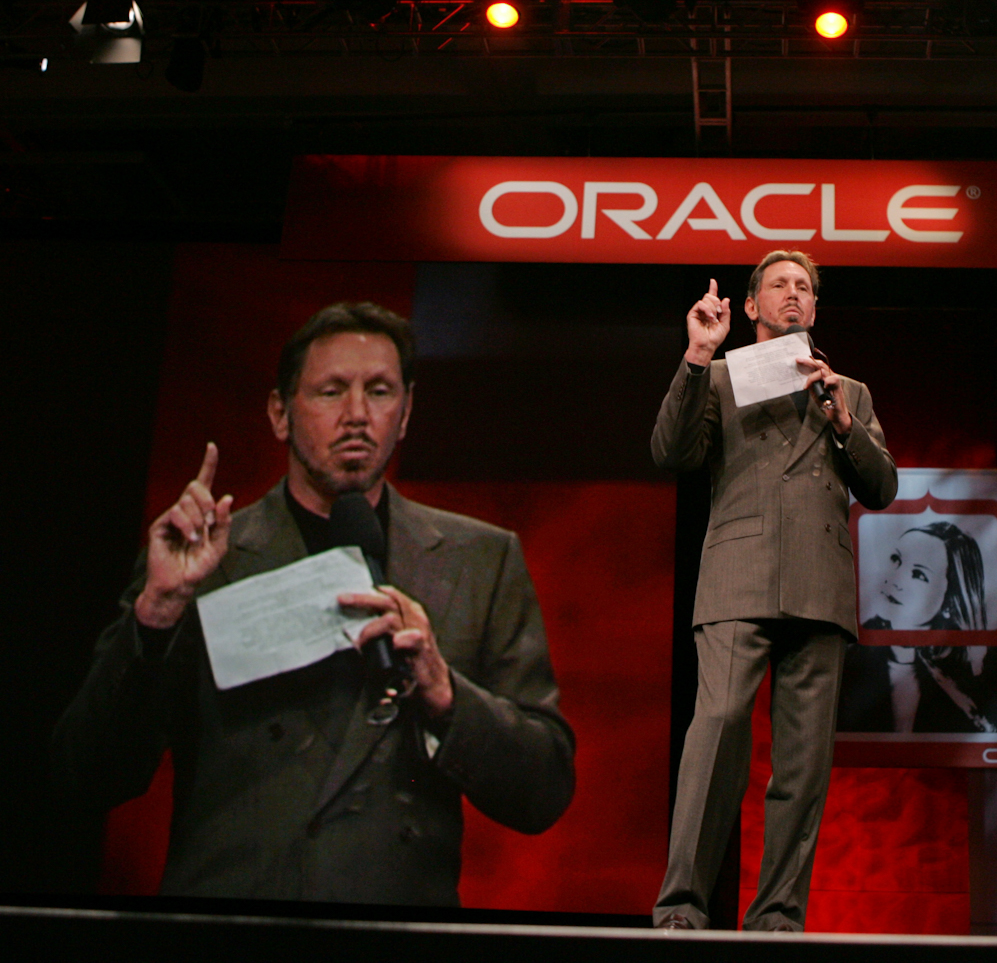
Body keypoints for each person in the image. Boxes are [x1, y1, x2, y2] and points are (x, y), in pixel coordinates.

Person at [52, 302, 574, 905]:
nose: (357, 415)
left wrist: (446, 695)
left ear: (405, 414)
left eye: (379, 391)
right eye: (331, 391)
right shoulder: (197, 561)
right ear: (280, 413)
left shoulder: (479, 560)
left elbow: (545, 788)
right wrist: (157, 615)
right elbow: (86, 774)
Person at [651, 251, 898, 931]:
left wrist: (846, 425)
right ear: (751, 306)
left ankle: (778, 915)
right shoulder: (721, 377)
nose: (794, 294)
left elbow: (882, 487)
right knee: (719, 729)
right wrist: (698, 356)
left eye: (805, 287)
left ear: (814, 310)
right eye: (779, 285)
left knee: (802, 764)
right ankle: (681, 906)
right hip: (737, 577)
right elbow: (671, 451)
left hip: (820, 586)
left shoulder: (848, 389)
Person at [838, 520, 997, 734]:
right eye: (896, 559)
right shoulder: (848, 648)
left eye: (918, 574)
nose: (895, 579)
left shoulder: (986, 661)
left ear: (950, 600)